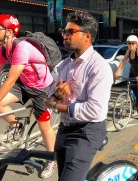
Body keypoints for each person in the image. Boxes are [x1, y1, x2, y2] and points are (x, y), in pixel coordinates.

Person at [0, 14, 56, 178]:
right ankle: (16, 125)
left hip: (41, 88)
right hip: (24, 83)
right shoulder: (2, 49)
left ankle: (51, 159)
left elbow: (10, 80)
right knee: (0, 103)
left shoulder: (22, 47)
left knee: (44, 125)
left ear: (9, 31)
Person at [43, 11, 113, 181]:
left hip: (86, 132)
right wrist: (56, 97)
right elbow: (47, 98)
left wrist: (56, 106)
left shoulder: (98, 67)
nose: (64, 36)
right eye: (64, 32)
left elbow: (95, 110)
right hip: (65, 128)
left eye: (70, 32)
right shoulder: (64, 65)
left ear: (87, 36)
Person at [115, 35, 138, 124]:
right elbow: (123, 62)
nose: (131, 45)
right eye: (129, 44)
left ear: (136, 44)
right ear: (127, 44)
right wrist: (117, 72)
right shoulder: (128, 51)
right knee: (132, 90)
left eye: (133, 43)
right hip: (132, 72)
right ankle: (135, 105)